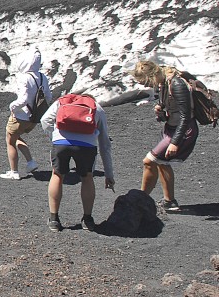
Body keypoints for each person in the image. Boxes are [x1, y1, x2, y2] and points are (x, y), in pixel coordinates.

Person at [40, 94, 116, 231]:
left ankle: (54, 219)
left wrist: (55, 135)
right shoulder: (96, 108)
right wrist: (108, 174)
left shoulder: (62, 102)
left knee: (57, 175)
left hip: (61, 143)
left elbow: (45, 120)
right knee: (87, 177)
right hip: (86, 146)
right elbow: (105, 144)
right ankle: (87, 219)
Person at [131, 60, 198, 212]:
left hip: (182, 130)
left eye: (145, 81)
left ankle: (141, 200)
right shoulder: (163, 83)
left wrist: (175, 142)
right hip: (171, 128)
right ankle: (170, 202)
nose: (145, 86)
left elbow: (185, 116)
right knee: (162, 162)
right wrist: (160, 111)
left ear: (152, 75)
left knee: (149, 161)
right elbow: (169, 112)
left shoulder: (177, 84)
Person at [2, 49, 52, 180]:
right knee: (16, 136)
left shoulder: (24, 78)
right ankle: (30, 162)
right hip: (34, 118)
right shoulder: (42, 77)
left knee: (10, 141)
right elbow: (48, 96)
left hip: (21, 116)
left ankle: (14, 171)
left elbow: (23, 100)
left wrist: (12, 106)